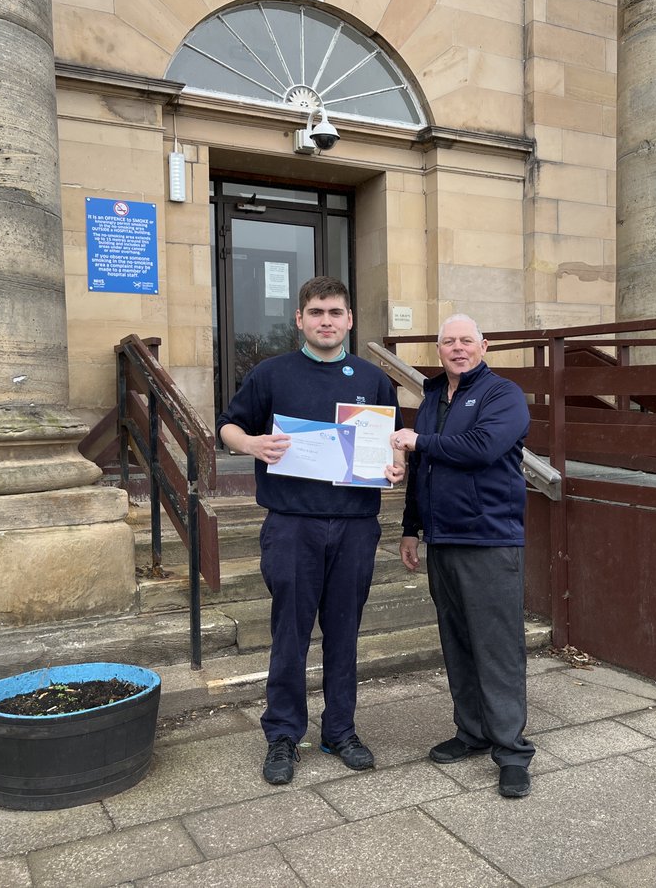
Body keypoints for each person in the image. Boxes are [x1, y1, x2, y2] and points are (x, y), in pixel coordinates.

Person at [217, 276, 404, 786]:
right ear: (299, 319)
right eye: (317, 312)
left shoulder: (372, 379)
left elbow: (393, 442)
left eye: (336, 312)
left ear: (348, 320)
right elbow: (227, 427)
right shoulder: (270, 374)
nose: (326, 320)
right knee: (290, 634)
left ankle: (340, 730)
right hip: (292, 524)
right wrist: (252, 445)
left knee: (344, 633)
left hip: (355, 526)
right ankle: (283, 734)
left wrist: (395, 466)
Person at [392, 313, 535, 798]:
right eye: (448, 341)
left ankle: (512, 751)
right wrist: (411, 529)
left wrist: (420, 441)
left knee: (497, 648)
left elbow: (482, 447)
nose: (457, 348)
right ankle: (472, 732)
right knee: (458, 642)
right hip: (443, 540)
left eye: (466, 341)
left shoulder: (503, 395)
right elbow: (423, 469)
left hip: (490, 540)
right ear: (439, 350)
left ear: (484, 346)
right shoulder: (433, 398)